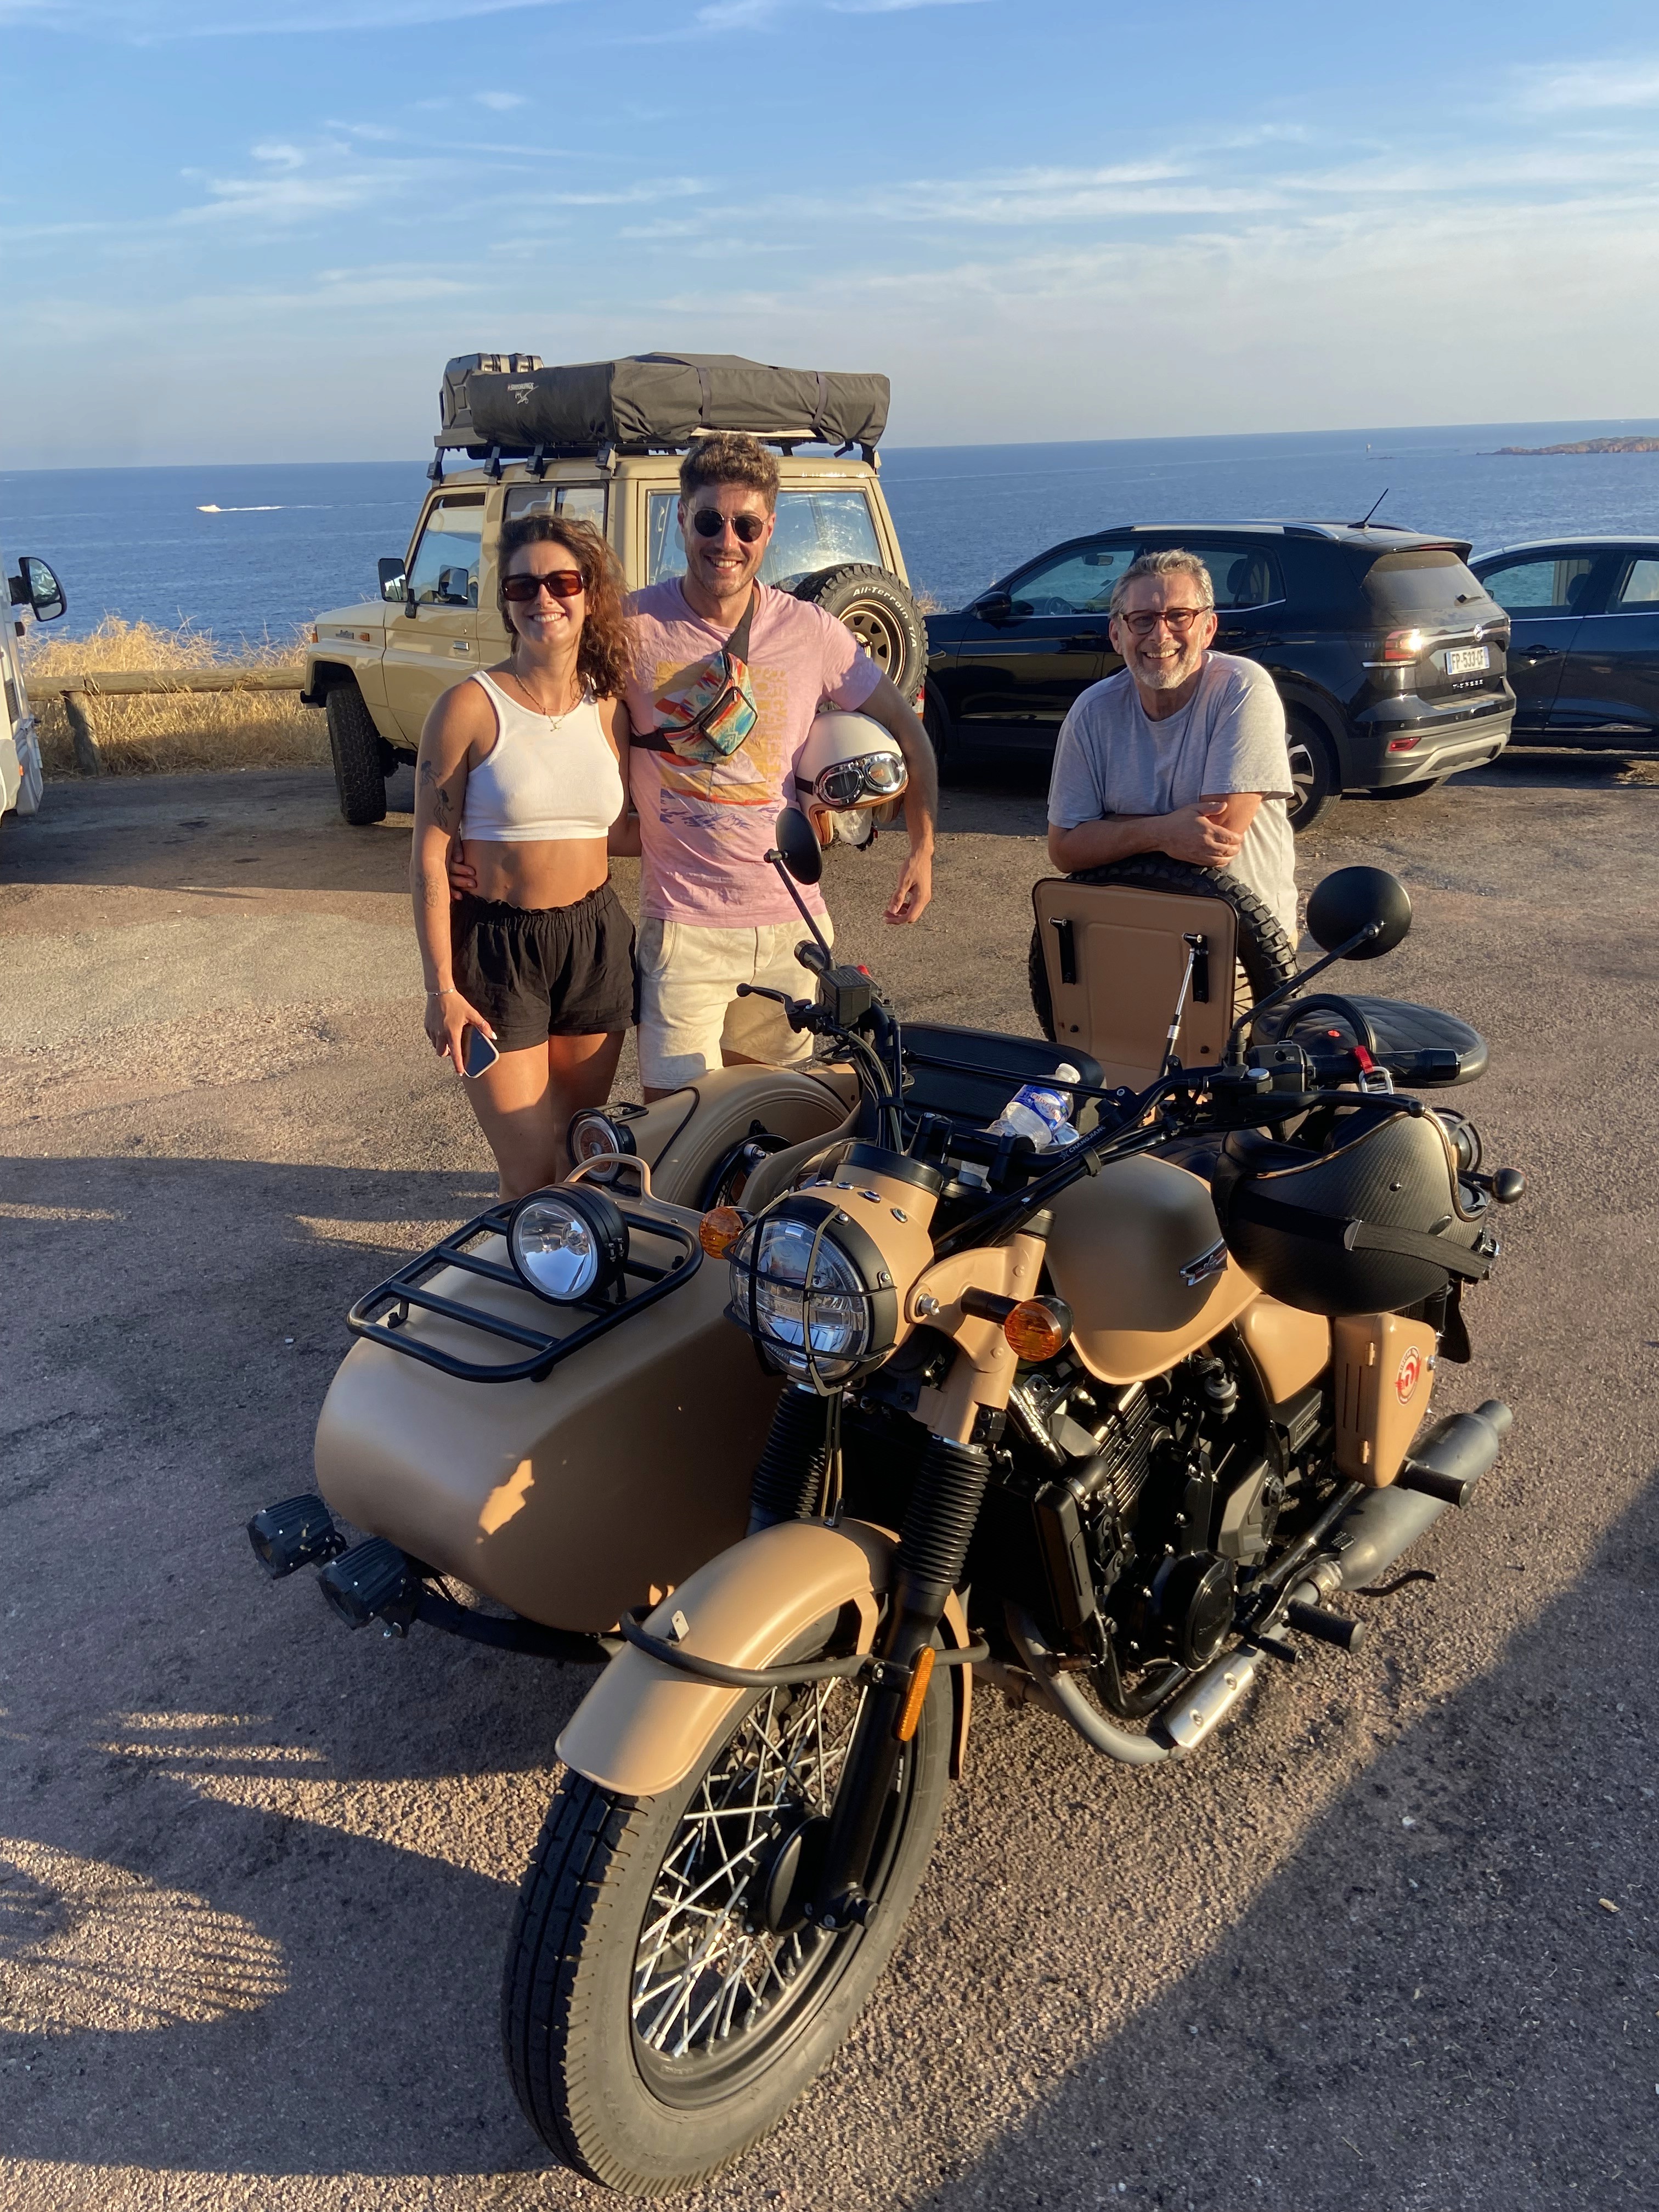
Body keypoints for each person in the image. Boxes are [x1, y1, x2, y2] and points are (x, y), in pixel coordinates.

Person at [624, 432, 937, 1098]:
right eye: (710, 521)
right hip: (685, 924)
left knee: (774, 1120)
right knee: (674, 1125)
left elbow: (909, 730)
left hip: (791, 917)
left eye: (745, 525)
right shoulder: (632, 627)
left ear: (769, 529)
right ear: (681, 517)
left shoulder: (812, 631)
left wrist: (923, 850)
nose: (726, 542)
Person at [410, 514, 637, 1200]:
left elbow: (622, 830)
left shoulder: (610, 710)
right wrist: (440, 990)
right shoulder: (467, 709)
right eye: (523, 584)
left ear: (589, 595)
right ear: (506, 601)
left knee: (579, 1160)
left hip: (595, 943)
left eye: (562, 581)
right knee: (531, 1173)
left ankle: (574, 1297)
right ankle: (526, 1297)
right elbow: (428, 850)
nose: (544, 597)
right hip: (500, 955)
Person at [1045, 548, 1299, 939]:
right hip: (1128, 938)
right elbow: (1064, 849)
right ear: (1117, 634)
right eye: (1142, 620)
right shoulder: (1092, 713)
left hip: (1241, 946)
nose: (1160, 635)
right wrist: (1162, 832)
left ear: (1209, 628)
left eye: (1179, 616)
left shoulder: (1243, 690)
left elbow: (1216, 838)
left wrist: (1103, 832)